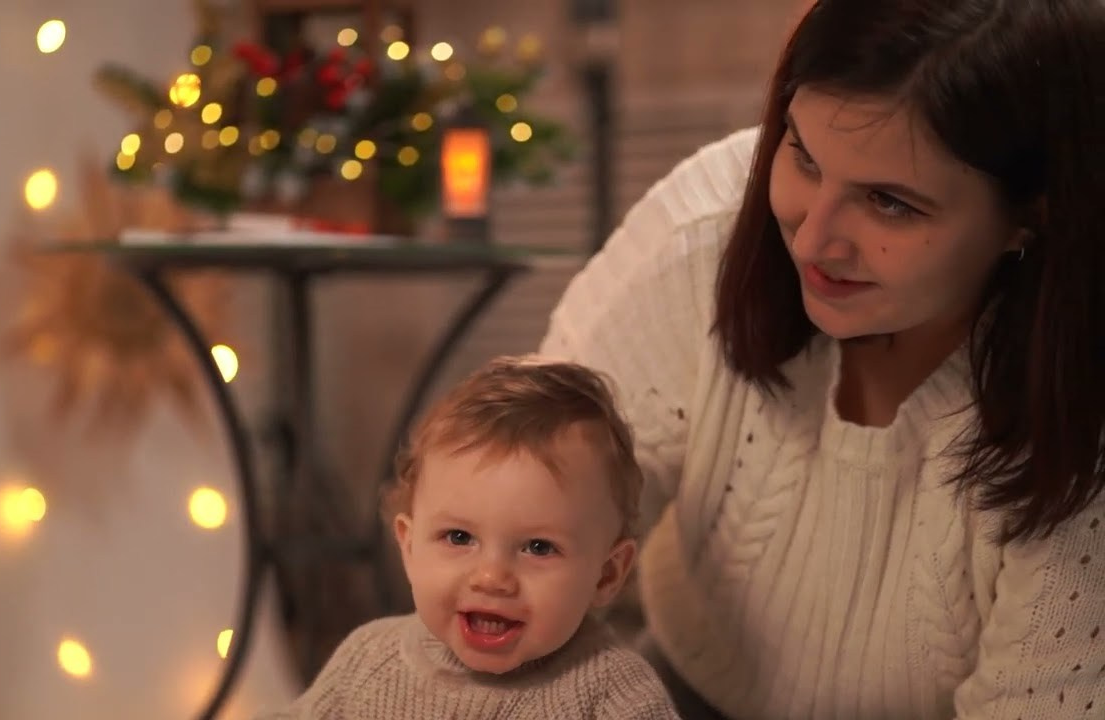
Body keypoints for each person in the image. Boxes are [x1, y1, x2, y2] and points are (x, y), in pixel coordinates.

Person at [537, 1, 1105, 719]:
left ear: (1033, 215)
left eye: (890, 203)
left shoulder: (1085, 407)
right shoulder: (702, 233)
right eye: (803, 155)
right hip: (681, 685)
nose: (810, 241)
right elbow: (527, 519)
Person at [255, 356, 681, 719]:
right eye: (459, 537)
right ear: (409, 546)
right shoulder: (369, 660)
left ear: (606, 575)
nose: (492, 577)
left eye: (538, 547)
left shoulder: (614, 695)